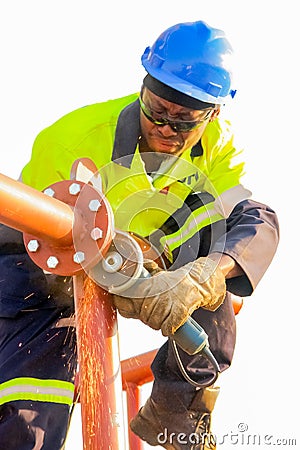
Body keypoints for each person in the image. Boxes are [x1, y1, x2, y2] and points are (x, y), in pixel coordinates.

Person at [0, 19, 279, 450]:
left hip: (138, 259)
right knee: (31, 416)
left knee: (214, 286)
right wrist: (113, 269)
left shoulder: (218, 147)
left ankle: (177, 415)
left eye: (184, 120)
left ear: (214, 113)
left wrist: (201, 276)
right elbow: (32, 236)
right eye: (157, 109)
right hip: (41, 274)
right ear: (143, 87)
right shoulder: (75, 137)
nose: (166, 128)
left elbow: (253, 221)